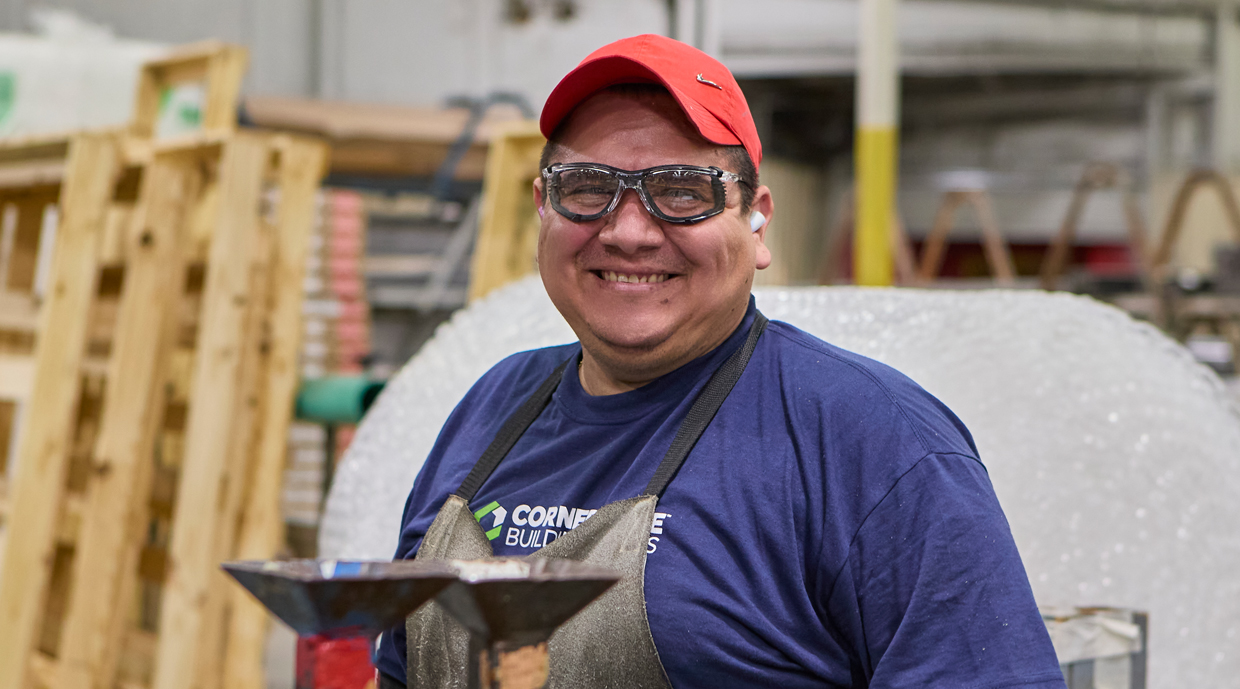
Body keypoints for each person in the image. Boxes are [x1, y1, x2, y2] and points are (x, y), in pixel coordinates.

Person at [377, 33, 1066, 689]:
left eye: (682, 192)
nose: (627, 231)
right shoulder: (492, 408)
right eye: (587, 186)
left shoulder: (874, 440)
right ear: (543, 207)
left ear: (757, 220)